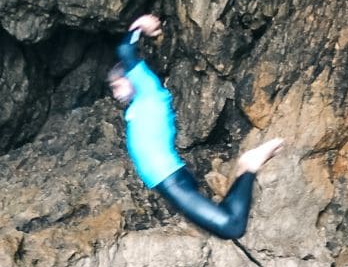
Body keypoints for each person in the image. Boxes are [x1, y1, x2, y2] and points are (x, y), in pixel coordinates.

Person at [107, 14, 284, 240]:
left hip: (170, 178)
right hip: (170, 180)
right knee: (225, 226)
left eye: (117, 85)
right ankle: (244, 170)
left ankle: (248, 165)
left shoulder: (147, 89)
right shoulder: (139, 104)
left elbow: (125, 51)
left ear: (132, 77)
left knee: (232, 227)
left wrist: (140, 25)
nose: (115, 93)